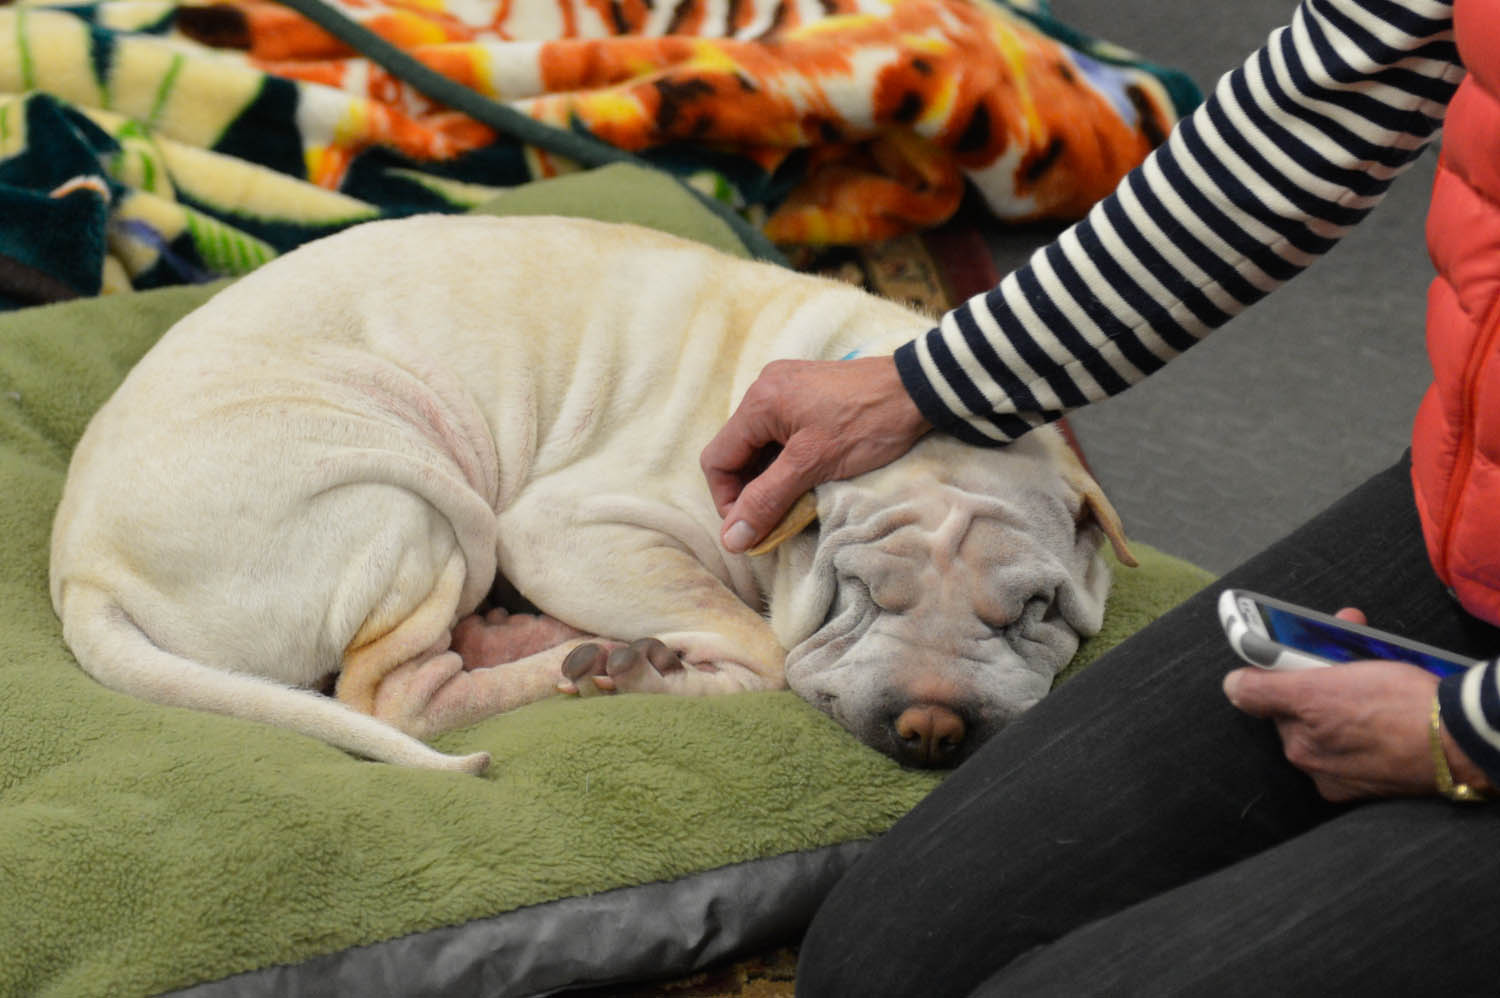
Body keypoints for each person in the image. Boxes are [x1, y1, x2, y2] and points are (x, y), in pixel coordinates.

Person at [699, 0, 1500, 992]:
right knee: (883, 956)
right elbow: (1315, 113)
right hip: (1471, 512)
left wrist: (1463, 729)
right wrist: (923, 381)